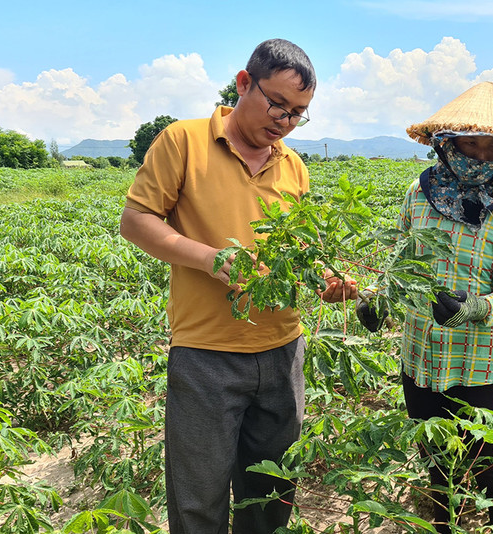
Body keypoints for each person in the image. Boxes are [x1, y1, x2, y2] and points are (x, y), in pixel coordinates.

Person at [120, 38, 357, 534]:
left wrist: (325, 280)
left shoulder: (293, 165)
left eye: (298, 113)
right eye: (276, 103)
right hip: (206, 352)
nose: (284, 121)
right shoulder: (182, 140)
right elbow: (138, 220)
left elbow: (301, 251)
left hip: (282, 350)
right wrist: (211, 259)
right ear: (243, 83)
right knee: (199, 497)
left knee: (271, 493)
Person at [356, 81, 493, 532]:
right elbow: (400, 261)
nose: (480, 154)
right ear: (447, 143)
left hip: (480, 366)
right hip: (419, 356)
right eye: (471, 142)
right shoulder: (419, 193)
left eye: (492, 145)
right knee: (437, 469)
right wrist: (379, 299)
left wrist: (473, 308)